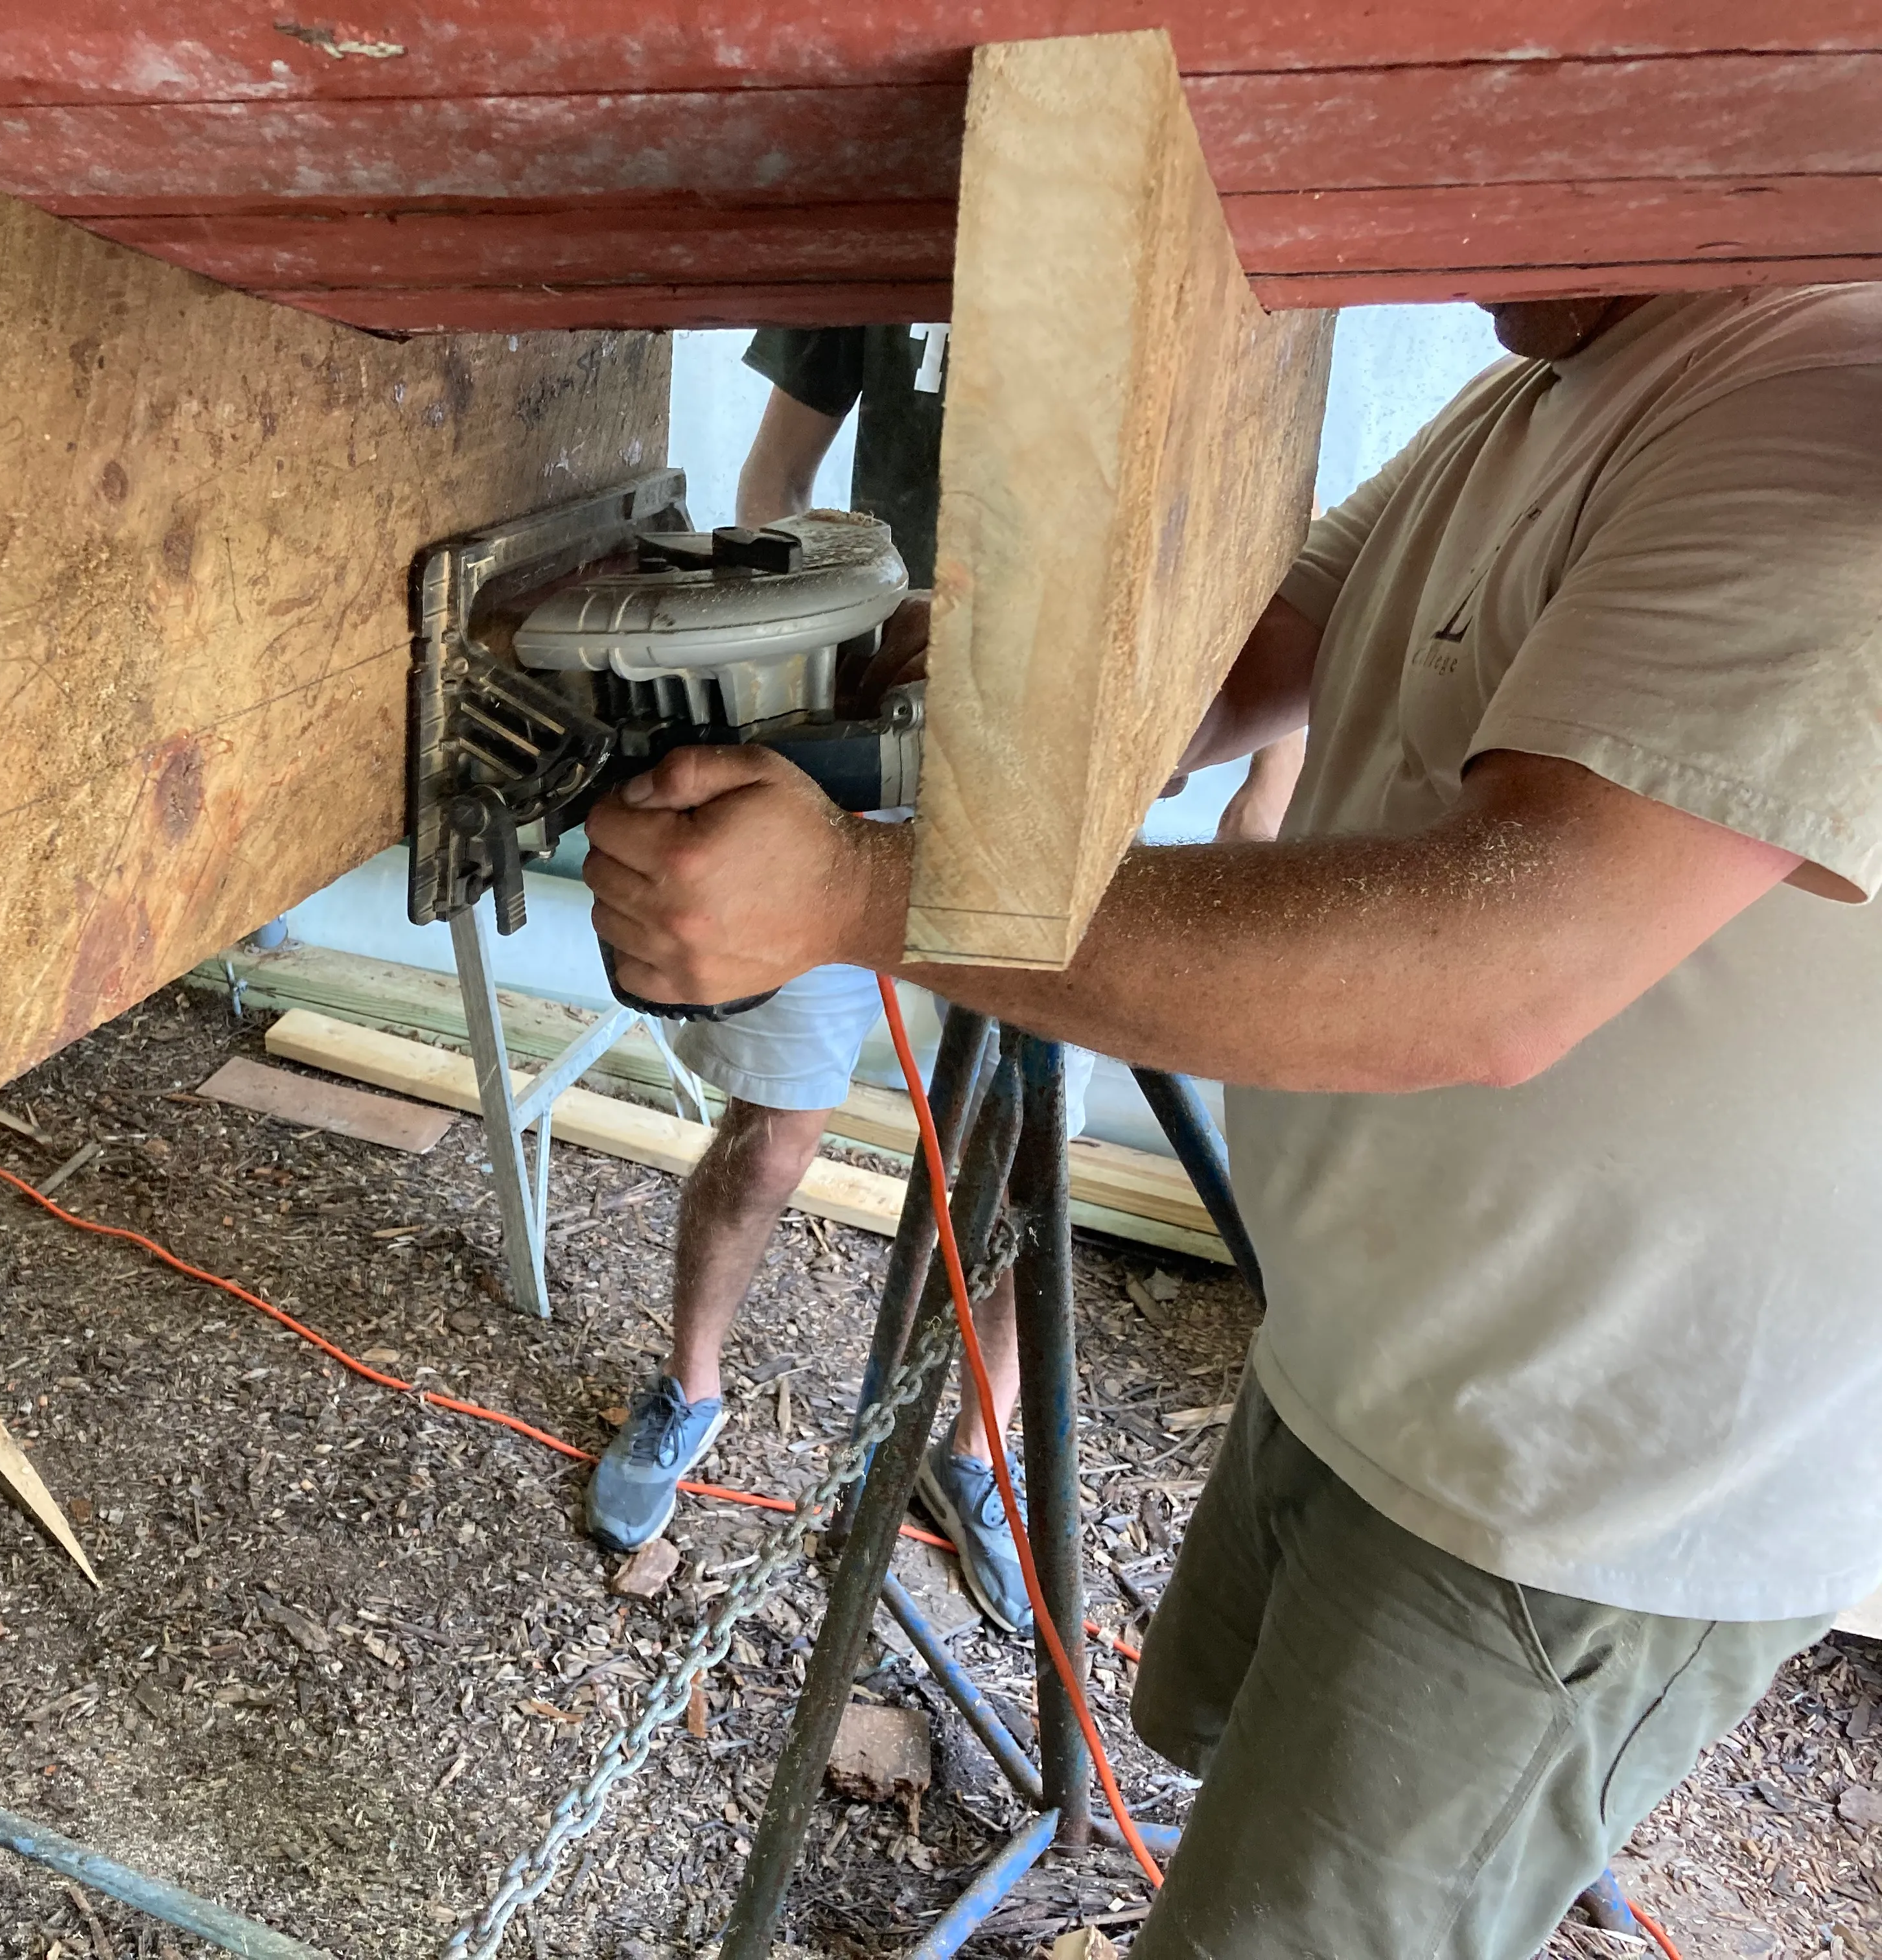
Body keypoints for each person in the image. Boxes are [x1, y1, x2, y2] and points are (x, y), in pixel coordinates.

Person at [580, 286, 1882, 1957]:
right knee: (1230, 1789)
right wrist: (941, 690)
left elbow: (1491, 968)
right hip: (1385, 1347)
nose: (1432, 241)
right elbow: (1241, 651)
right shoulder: (1552, 380)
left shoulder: (1818, 388)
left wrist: (858, 894)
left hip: (1582, 1469)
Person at [586, 325, 1041, 1635]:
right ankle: (690, 1386)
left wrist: (1267, 789)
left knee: (1016, 1166)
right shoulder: (883, 240)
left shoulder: (1154, 252)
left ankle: (975, 1453)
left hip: (1040, 780)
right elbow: (776, 479)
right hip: (859, 748)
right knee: (774, 1134)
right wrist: (777, 694)